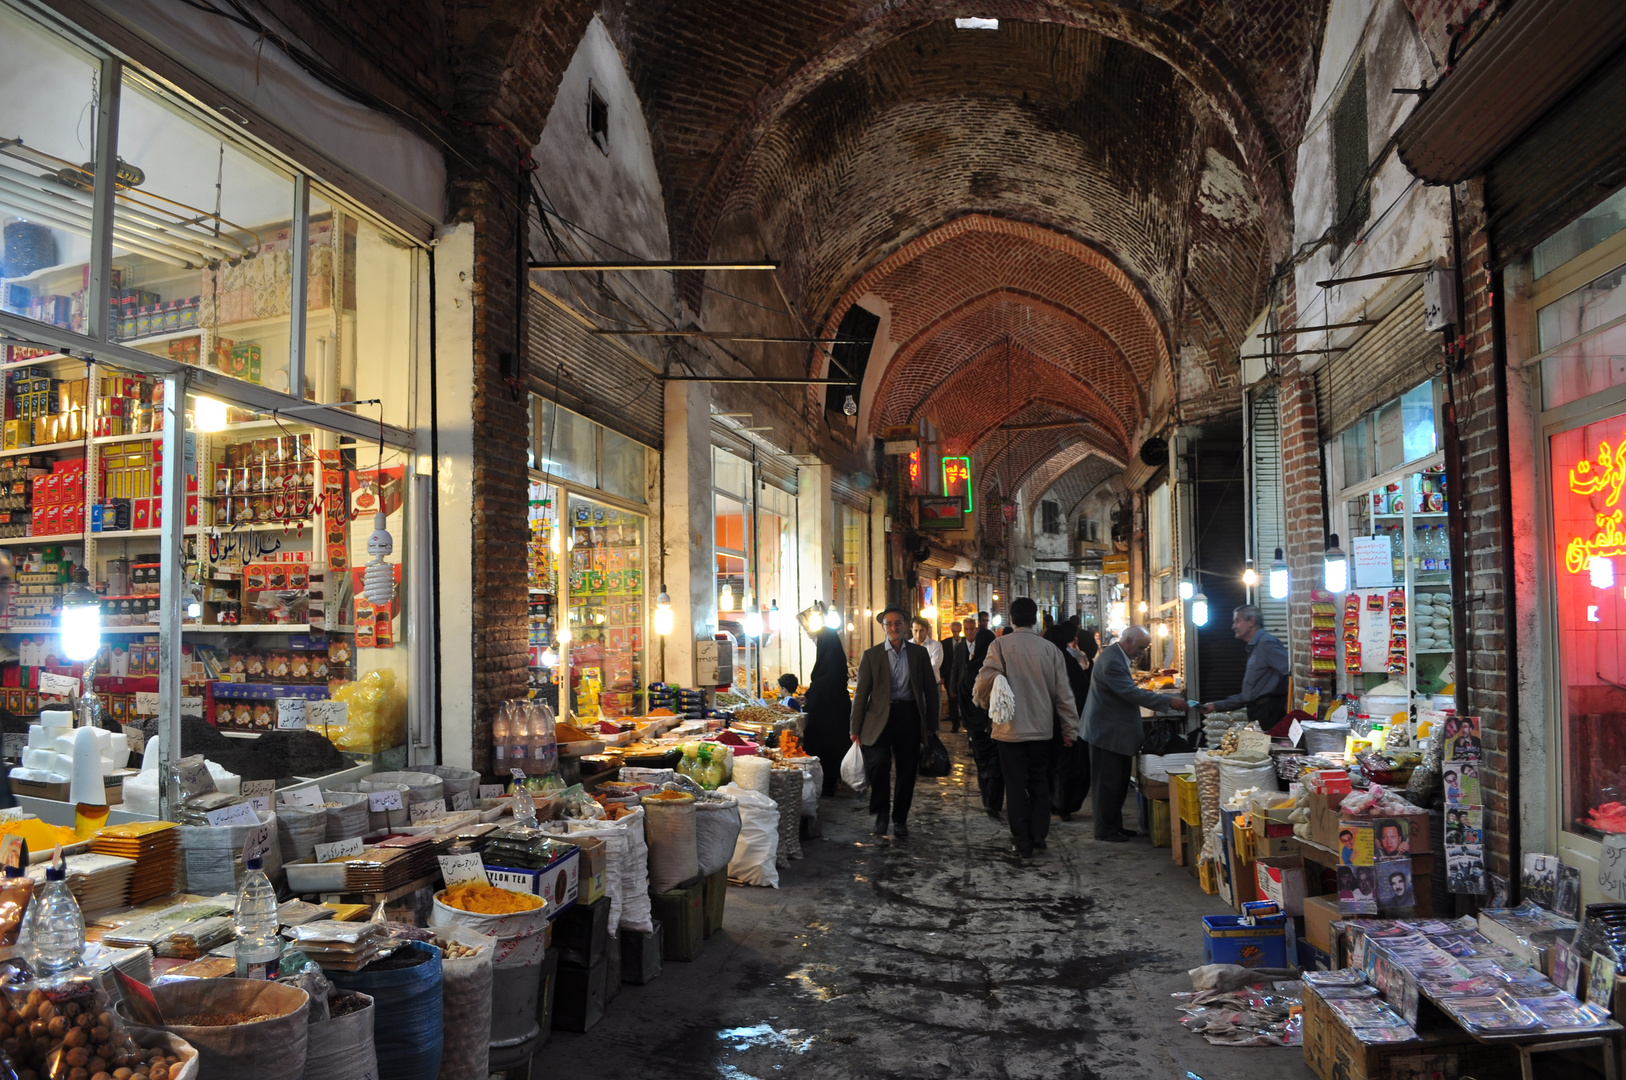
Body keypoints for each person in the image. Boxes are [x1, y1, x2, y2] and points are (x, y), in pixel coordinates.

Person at [973, 598, 1078, 858]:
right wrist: (1069, 729)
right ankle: (1039, 834)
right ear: (1036, 620)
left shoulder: (999, 645)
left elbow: (983, 683)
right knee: (1040, 782)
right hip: (1042, 730)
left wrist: (984, 703)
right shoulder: (1050, 650)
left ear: (1012, 618)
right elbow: (1063, 695)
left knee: (1015, 786)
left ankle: (1022, 842)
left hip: (1009, 732)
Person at [1080, 624, 1188, 842]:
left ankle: (1114, 825)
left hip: (1112, 731)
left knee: (1118, 783)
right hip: (1106, 733)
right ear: (1127, 642)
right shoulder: (1111, 661)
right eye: (1140, 647)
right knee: (1107, 785)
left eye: (1146, 648)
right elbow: (1130, 693)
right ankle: (1105, 830)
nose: (1143, 652)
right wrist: (1169, 702)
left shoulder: (1116, 656)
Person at [850, 606, 939, 838]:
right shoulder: (872, 655)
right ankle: (881, 814)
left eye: (898, 623)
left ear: (905, 625)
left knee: (907, 770)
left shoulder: (918, 654)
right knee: (878, 765)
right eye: (888, 624)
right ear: (883, 627)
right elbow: (861, 694)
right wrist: (855, 728)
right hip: (878, 719)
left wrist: (931, 725)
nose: (893, 627)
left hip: (909, 717)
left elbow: (931, 690)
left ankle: (900, 819)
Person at [1200, 605, 1289, 730]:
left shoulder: (1266, 643)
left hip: (1270, 713)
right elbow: (1249, 695)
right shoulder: (1255, 647)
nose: (1234, 627)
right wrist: (1215, 706)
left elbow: (1290, 672)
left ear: (1251, 621)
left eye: (1237, 621)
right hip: (1259, 712)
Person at [1042, 622, 1091, 821]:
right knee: (1065, 764)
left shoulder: (1047, 661)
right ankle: (1062, 805)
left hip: (1048, 722)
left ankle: (1054, 803)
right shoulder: (1067, 661)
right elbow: (1080, 693)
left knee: (1053, 764)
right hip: (1064, 722)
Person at [800, 625, 852, 798]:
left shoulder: (830, 659)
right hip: (837, 713)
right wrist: (809, 695)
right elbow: (821, 684)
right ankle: (832, 782)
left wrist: (808, 702)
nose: (816, 644)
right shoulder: (835, 656)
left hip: (827, 716)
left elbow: (823, 685)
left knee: (826, 750)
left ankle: (827, 785)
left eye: (817, 641)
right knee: (835, 750)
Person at [962, 611, 1003, 818]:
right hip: (994, 725)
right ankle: (992, 802)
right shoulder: (996, 668)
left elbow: (964, 698)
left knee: (982, 762)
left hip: (976, 726)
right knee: (995, 763)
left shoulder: (971, 668)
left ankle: (987, 799)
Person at [940, 620, 970, 733]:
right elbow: (943, 661)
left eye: (958, 631)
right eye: (954, 631)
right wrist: (942, 675)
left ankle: (966, 723)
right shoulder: (945, 644)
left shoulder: (966, 643)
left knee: (964, 700)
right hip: (949, 676)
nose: (956, 634)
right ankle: (955, 724)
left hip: (963, 676)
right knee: (952, 701)